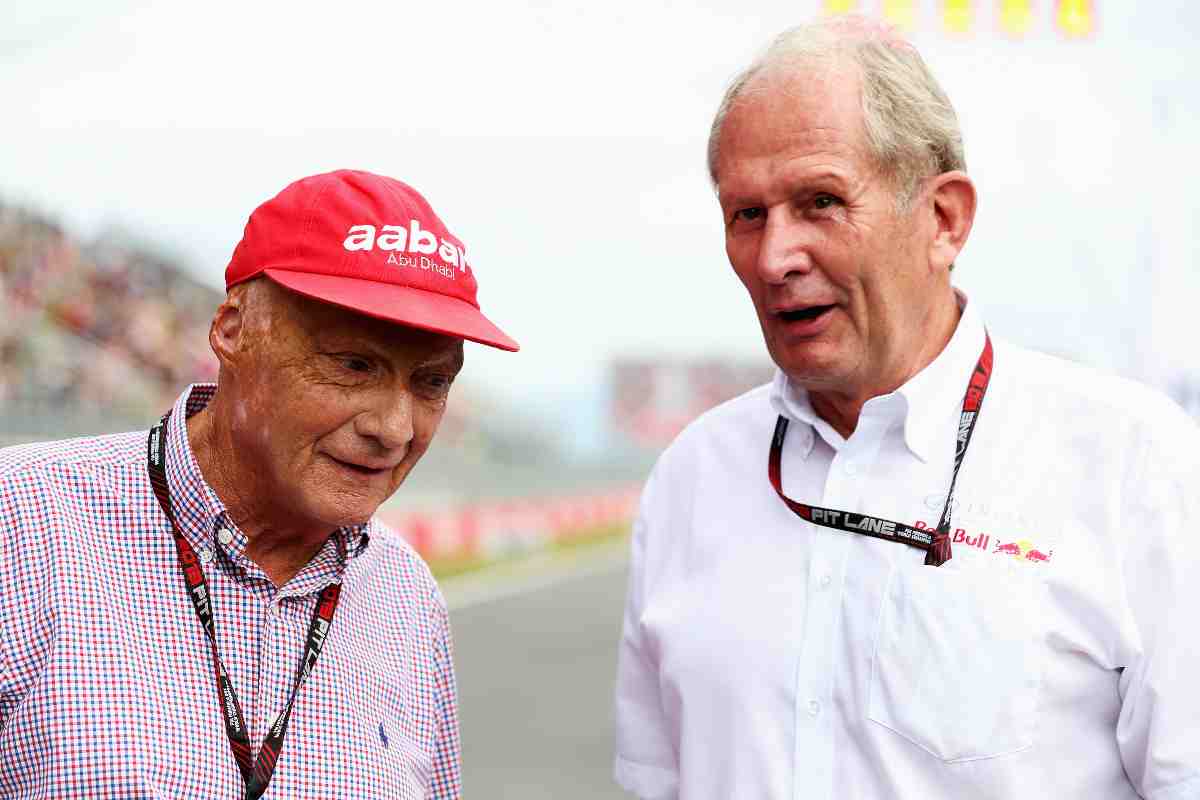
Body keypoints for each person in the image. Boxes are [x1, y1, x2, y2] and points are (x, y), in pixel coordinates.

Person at [613, 17, 1199, 800]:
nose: (775, 257)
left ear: (944, 219)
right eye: (746, 214)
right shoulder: (694, 475)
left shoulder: (1134, 463)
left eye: (819, 201)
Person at [0, 169, 518, 798]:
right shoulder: (21, 525)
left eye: (431, 382)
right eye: (354, 366)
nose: (393, 428)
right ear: (232, 330)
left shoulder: (407, 597)